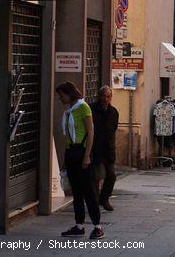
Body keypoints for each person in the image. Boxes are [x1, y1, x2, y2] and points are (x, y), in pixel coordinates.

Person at [55, 82, 104, 239]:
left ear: (69, 93)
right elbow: (68, 136)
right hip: (71, 152)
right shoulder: (69, 110)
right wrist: (65, 158)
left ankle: (98, 226)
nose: (60, 98)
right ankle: (79, 225)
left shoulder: (83, 108)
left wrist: (87, 155)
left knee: (88, 191)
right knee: (76, 192)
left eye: (61, 95)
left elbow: (91, 133)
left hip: (82, 152)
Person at [91, 86, 119, 212]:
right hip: (96, 149)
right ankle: (94, 201)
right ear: (99, 96)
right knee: (98, 176)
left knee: (111, 176)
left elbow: (113, 130)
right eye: (103, 96)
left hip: (109, 150)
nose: (105, 99)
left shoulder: (113, 112)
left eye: (108, 96)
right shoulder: (92, 109)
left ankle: (105, 199)